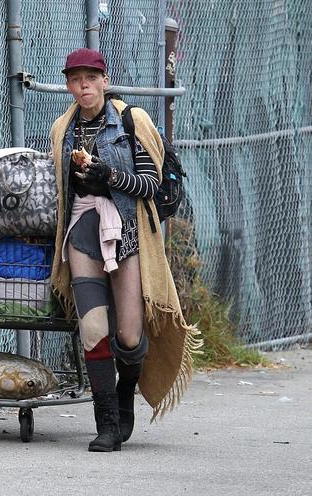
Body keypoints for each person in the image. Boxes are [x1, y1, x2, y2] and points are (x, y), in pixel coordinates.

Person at [49, 48, 202, 452]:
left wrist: (109, 175)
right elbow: (63, 193)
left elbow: (151, 185)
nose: (83, 87)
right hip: (82, 231)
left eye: (90, 78)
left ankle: (126, 390)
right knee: (94, 328)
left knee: (130, 336)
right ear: (68, 84)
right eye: (75, 79)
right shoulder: (62, 129)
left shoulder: (132, 120)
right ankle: (107, 424)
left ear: (104, 80)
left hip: (126, 229)